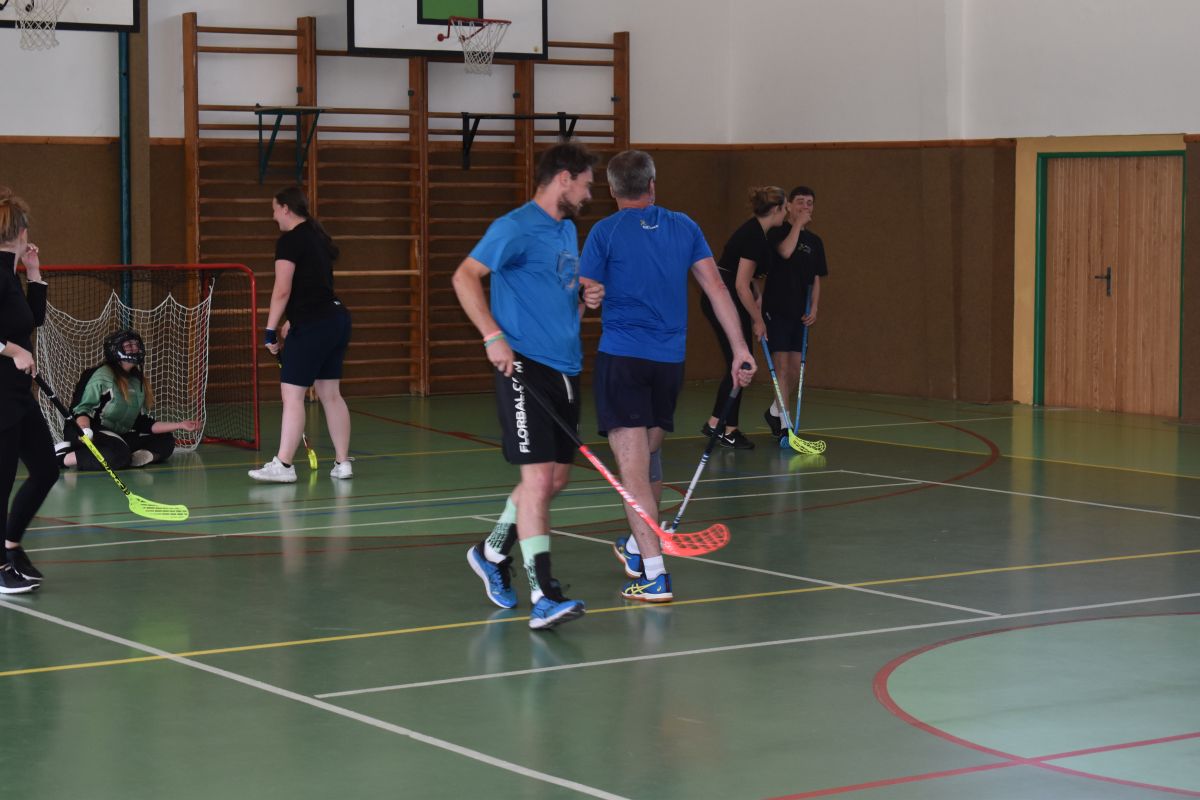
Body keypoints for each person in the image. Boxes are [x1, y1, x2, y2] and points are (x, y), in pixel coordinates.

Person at [579, 150, 756, 603]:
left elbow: (583, 296)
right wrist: (739, 348)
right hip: (668, 364)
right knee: (649, 455)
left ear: (613, 190)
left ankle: (654, 573)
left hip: (623, 360)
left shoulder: (604, 232)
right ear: (652, 184)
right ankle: (637, 547)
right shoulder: (685, 226)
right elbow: (717, 288)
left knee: (633, 471)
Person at [452, 142, 604, 631]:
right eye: (586, 185)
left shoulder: (566, 229)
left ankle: (492, 551)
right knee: (537, 481)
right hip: (525, 368)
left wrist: (585, 295)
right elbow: (464, 276)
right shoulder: (514, 227)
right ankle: (544, 595)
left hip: (566, 368)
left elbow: (557, 291)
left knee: (555, 480)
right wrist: (492, 336)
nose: (589, 194)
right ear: (564, 178)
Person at [250, 186, 353, 484]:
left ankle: (283, 465)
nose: (273, 216)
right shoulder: (318, 236)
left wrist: (270, 329)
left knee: (292, 395)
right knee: (330, 394)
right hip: (336, 320)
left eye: (274, 209)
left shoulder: (290, 241)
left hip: (314, 326)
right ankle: (342, 463)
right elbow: (315, 286)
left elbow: (282, 289)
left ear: (285, 208)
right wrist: (292, 320)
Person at [0, 187, 57, 594]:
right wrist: (12, 349)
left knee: (46, 469)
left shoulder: (10, 273)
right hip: (0, 396)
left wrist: (34, 273)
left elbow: (30, 320)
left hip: (19, 395)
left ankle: (11, 545)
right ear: (21, 232)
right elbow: (13, 339)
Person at [703, 186, 787, 448]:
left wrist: (757, 295)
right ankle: (720, 426)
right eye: (785, 208)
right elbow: (740, 285)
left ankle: (723, 426)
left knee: (740, 363)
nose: (786, 213)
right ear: (776, 209)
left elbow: (747, 279)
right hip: (725, 297)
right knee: (741, 363)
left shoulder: (758, 233)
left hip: (731, 294)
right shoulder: (754, 236)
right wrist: (758, 319)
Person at [55, 330, 200, 470]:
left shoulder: (136, 381)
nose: (135, 348)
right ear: (115, 350)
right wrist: (85, 431)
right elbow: (81, 409)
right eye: (129, 345)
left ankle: (132, 458)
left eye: (136, 344)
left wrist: (180, 425)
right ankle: (62, 458)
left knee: (165, 439)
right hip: (87, 431)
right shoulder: (100, 375)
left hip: (116, 436)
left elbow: (140, 422)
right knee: (119, 452)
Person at [750, 186, 828, 438]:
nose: (806, 206)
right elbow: (785, 252)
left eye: (810, 203)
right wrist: (798, 226)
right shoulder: (777, 232)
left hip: (800, 313)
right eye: (801, 202)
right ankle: (786, 425)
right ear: (789, 206)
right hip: (777, 309)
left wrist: (815, 306)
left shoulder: (815, 242)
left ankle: (775, 410)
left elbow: (816, 278)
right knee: (781, 367)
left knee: (794, 370)